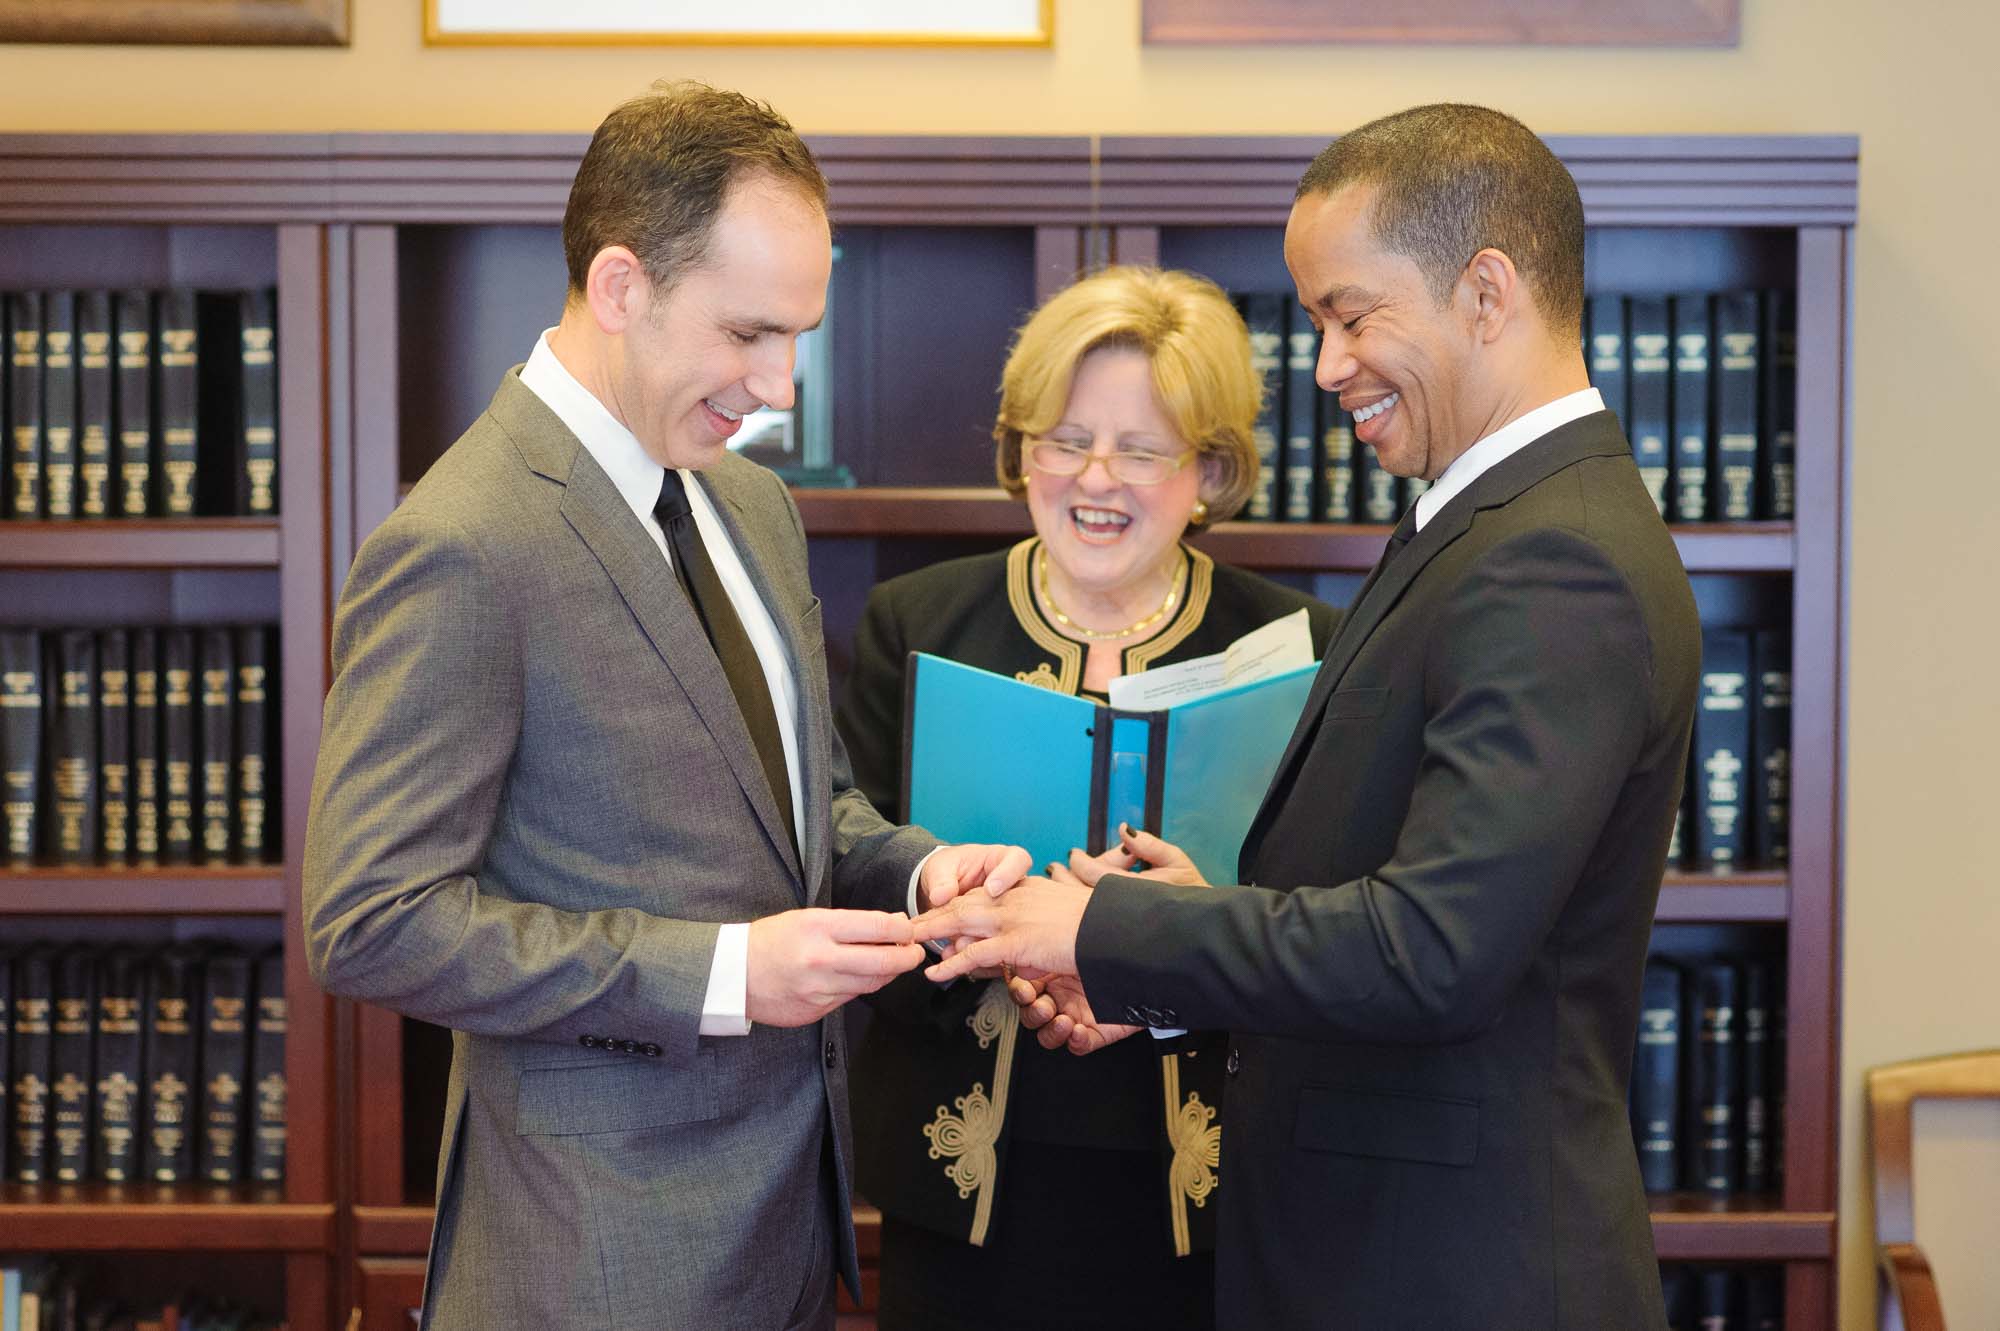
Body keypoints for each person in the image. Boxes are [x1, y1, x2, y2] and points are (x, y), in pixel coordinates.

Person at [915, 103, 1702, 1331]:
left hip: (1444, 1276)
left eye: (1350, 313)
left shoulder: (1554, 560)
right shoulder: (1480, 525)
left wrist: (1102, 930)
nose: (1326, 363)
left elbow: (1433, 951)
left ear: (1485, 291)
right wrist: (1179, 950)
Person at [301, 81, 1027, 1331]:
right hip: (591, 1261)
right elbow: (372, 919)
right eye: (749, 333)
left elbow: (799, 801)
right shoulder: (464, 540)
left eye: (799, 334)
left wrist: (915, 873)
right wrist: (725, 971)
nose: (783, 386)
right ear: (621, 285)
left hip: (786, 1233)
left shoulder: (749, 504)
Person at [834, 266, 1337, 1331]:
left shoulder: (1297, 648)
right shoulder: (916, 622)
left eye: (1143, 448)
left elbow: (1330, 924)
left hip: (1208, 1185)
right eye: (1062, 438)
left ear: (1208, 468)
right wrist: (991, 942)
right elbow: (848, 872)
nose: (1093, 477)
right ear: (1020, 453)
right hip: (963, 1182)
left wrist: (1176, 944)